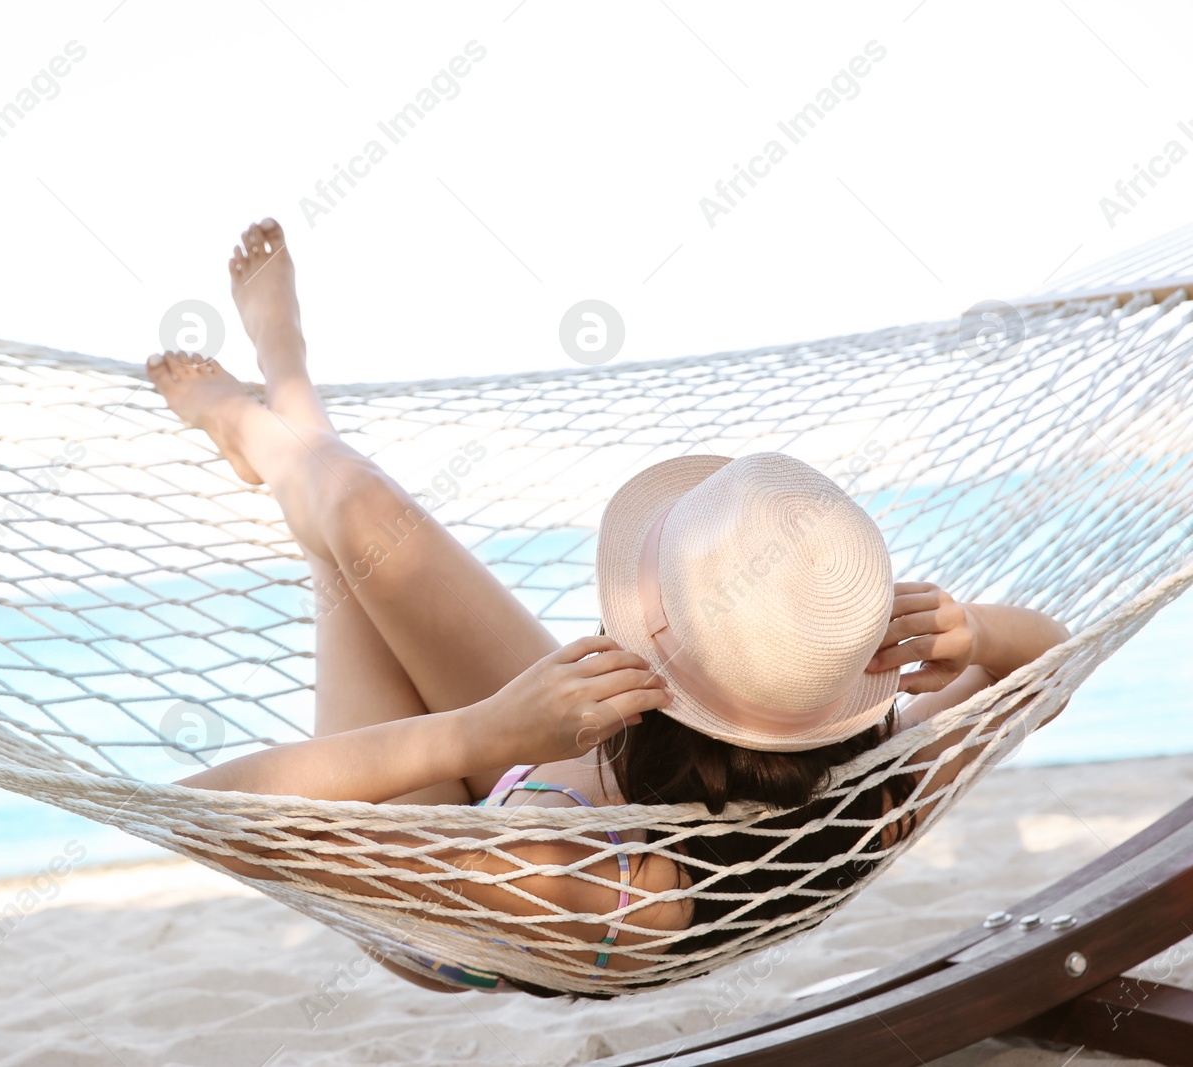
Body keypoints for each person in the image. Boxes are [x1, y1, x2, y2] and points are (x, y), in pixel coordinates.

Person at [144, 218, 1072, 995]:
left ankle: (276, 415)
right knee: (362, 519)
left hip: (445, 891)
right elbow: (1052, 667)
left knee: (344, 557)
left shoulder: (604, 890)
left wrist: (479, 736)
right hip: (595, 763)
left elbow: (206, 812)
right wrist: (981, 630)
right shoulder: (879, 784)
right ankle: (288, 429)